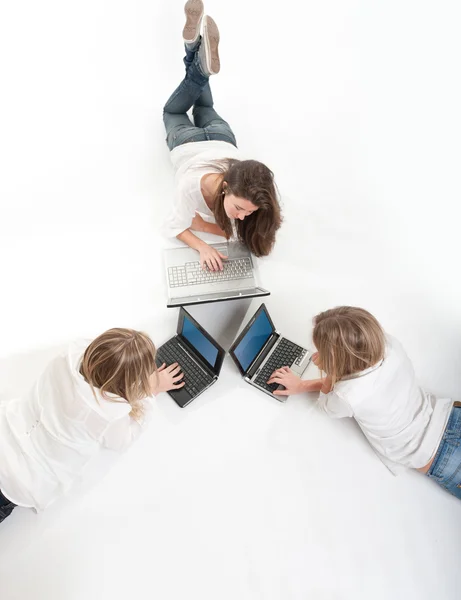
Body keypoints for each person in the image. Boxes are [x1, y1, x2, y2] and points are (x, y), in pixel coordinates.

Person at [267, 306, 461, 498]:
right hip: (449, 415)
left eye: (322, 352)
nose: (316, 354)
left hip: (441, 455)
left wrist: (325, 375)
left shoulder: (347, 397)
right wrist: (332, 363)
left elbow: (327, 405)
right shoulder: (389, 344)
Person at [0, 328, 184, 524]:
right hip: (18, 480)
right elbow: (121, 441)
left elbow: (104, 355)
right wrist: (151, 391)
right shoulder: (109, 415)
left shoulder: (66, 358)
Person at [162, 0, 282, 272]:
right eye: (240, 209)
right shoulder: (192, 186)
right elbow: (173, 226)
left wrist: (207, 226)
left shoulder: (249, 188)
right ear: (226, 186)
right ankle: (198, 61)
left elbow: (252, 235)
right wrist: (203, 242)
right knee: (171, 110)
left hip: (221, 138)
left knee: (204, 105)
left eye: (248, 213)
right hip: (185, 141)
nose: (242, 217)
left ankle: (194, 49)